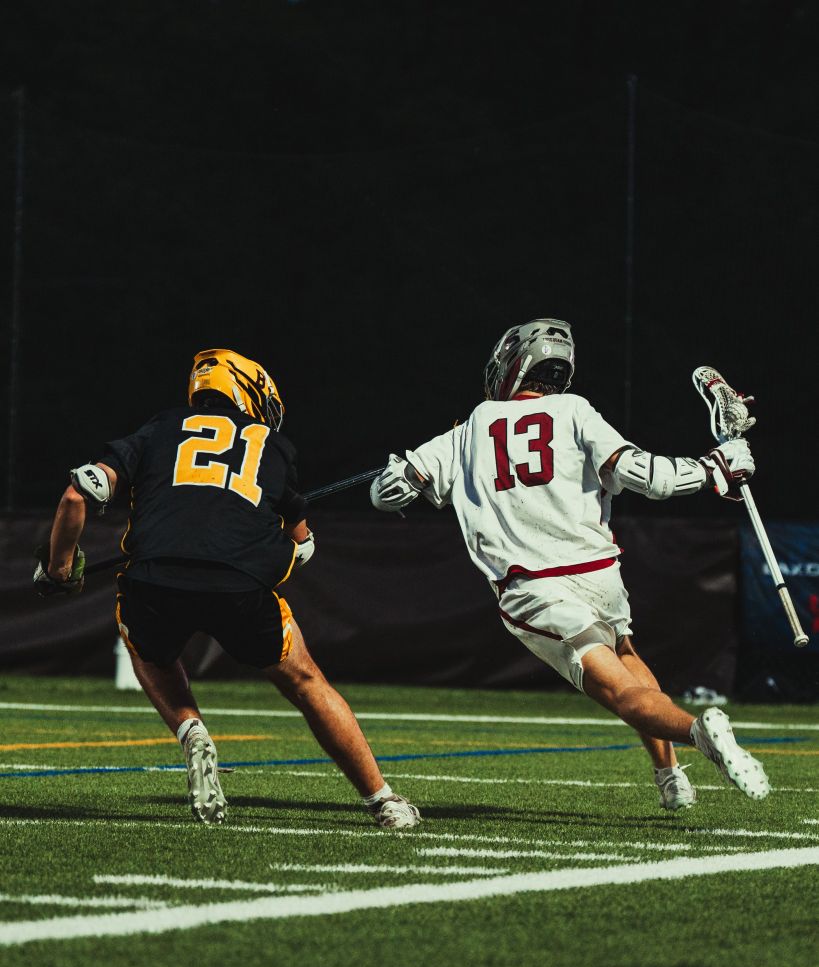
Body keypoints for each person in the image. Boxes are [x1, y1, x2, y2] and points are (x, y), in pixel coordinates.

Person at [370, 318, 769, 810]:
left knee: (620, 692)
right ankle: (670, 776)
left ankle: (697, 733)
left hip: (537, 589)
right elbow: (648, 477)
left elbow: (387, 494)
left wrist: (396, 474)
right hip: (600, 575)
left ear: (511, 366)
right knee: (627, 654)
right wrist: (715, 468)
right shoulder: (575, 409)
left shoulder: (468, 430)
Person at [35, 348, 420, 828]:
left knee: (149, 651)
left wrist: (59, 569)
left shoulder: (159, 428)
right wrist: (277, 538)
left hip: (155, 577)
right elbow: (301, 545)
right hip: (240, 583)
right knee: (306, 682)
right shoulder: (273, 445)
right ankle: (383, 800)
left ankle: (190, 729)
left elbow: (78, 493)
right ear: (248, 392)